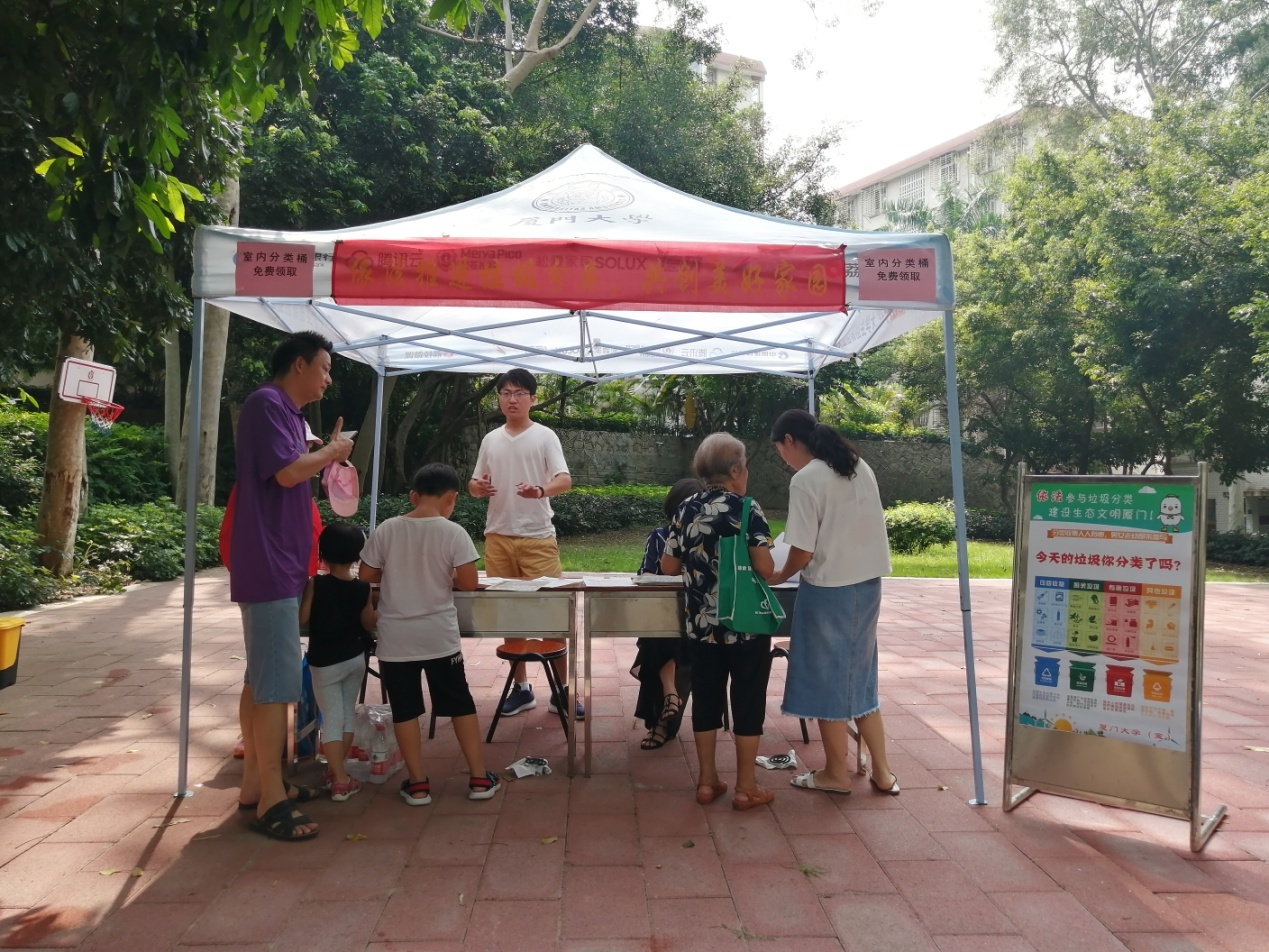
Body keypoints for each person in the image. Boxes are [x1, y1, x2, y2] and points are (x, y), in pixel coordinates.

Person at [232, 330, 353, 841]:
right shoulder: (267, 404)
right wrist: (332, 451)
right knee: (275, 688)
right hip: (269, 562)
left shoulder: (285, 412)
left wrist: (325, 454)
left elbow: (294, 469)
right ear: (299, 364)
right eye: (324, 368)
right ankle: (272, 802)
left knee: (259, 680)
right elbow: (286, 473)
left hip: (278, 560)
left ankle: (257, 784)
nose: (327, 379)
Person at [768, 408, 899, 797]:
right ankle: (883, 772)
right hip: (868, 587)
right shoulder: (858, 465)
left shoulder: (806, 479)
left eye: (780, 451)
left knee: (827, 682)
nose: (783, 459)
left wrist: (779, 575)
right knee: (861, 679)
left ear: (789, 441)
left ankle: (835, 773)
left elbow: (802, 549)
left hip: (829, 591)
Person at [359, 463, 501, 805]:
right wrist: (443, 576)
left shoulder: (387, 529)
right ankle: (479, 778)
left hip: (395, 638)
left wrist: (397, 574)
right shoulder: (453, 533)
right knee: (460, 704)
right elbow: (469, 583)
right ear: (452, 498)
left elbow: (365, 575)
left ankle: (418, 784)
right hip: (439, 636)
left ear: (413, 496)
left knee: (405, 709)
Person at [660, 433, 777, 811]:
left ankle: (707, 781)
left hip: (701, 626)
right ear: (736, 470)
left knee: (706, 699)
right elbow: (764, 567)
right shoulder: (748, 509)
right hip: (745, 625)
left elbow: (668, 566)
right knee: (748, 699)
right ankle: (746, 787)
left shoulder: (685, 509)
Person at [468, 369, 582, 719]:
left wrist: (541, 490)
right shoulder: (491, 439)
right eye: (505, 393)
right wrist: (478, 488)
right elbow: (473, 484)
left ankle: (561, 691)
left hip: (537, 538)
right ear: (499, 398)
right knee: (509, 616)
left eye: (519, 393)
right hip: (498, 537)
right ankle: (521, 689)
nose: (512, 399)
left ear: (532, 398)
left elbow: (565, 479)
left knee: (553, 615)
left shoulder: (545, 436)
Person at [298, 522, 376, 803]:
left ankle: (340, 780)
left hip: (324, 662)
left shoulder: (315, 584)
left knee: (331, 718)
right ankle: (337, 770)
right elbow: (368, 622)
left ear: (323, 554)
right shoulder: (364, 588)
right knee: (346, 715)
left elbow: (302, 618)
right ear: (358, 555)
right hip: (354, 658)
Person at [631, 477, 705, 750]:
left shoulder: (707, 539)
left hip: (697, 617)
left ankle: (660, 721)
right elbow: (645, 573)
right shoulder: (660, 536)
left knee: (665, 639)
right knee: (663, 633)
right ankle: (669, 697)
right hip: (662, 611)